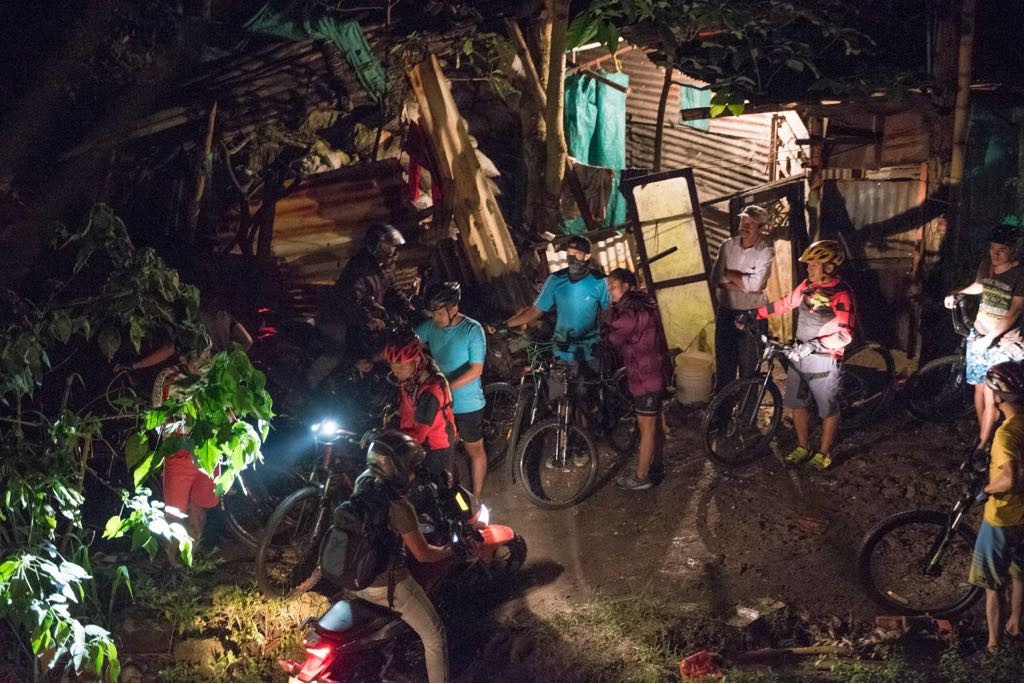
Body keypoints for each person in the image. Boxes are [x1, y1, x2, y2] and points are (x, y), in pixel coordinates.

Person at [739, 240, 854, 470]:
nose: (809, 269)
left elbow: (845, 334)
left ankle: (823, 453)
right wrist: (755, 314)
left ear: (829, 268)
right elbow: (785, 303)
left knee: (828, 408)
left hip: (824, 357)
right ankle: (803, 447)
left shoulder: (842, 294)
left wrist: (815, 345)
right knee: (797, 403)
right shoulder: (807, 286)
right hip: (799, 353)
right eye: (809, 265)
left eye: (814, 265)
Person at [493, 235, 610, 459]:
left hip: (587, 352)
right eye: (569, 253)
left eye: (577, 254)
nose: (572, 258)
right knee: (560, 401)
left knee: (584, 401)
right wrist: (504, 324)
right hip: (560, 351)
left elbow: (607, 311)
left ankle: (581, 445)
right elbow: (535, 311)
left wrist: (601, 334)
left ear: (587, 257)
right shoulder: (556, 281)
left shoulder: (598, 281)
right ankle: (563, 444)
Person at [357, 430, 456, 682]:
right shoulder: (400, 506)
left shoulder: (363, 482)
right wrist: (451, 550)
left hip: (355, 576)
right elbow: (423, 555)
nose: (412, 474)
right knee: (435, 636)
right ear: (397, 469)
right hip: (385, 585)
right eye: (410, 468)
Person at [944, 224, 1024, 453]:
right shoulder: (987, 266)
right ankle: (985, 435)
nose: (994, 254)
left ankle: (981, 446)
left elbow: (1014, 311)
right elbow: (980, 286)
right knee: (979, 389)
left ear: (1014, 251)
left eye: (1001, 250)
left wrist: (989, 338)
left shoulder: (1020, 274)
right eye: (991, 248)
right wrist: (958, 292)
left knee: (991, 394)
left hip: (1003, 341)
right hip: (979, 333)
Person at [311, 223, 412, 386]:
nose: (392, 251)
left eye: (393, 247)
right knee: (335, 353)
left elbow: (392, 289)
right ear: (374, 245)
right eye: (387, 246)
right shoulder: (359, 268)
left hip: (359, 316)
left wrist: (408, 306)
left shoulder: (386, 267)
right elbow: (350, 299)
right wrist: (367, 318)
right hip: (336, 316)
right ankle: (306, 389)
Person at [969, 362, 1024, 653]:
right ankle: (1015, 622)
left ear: (999, 397)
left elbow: (1010, 479)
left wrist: (985, 489)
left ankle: (994, 645)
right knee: (1020, 572)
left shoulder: (1005, 434)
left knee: (993, 583)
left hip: (1004, 516)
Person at [415, 282, 488, 498]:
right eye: (432, 312)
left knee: (474, 450)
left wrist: (445, 387)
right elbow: (410, 343)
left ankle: (476, 498)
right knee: (442, 449)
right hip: (441, 402)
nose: (435, 317)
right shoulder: (431, 327)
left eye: (439, 312)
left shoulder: (472, 330)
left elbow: (476, 370)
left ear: (453, 308)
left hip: (467, 404)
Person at [604, 268, 669, 490]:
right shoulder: (640, 303)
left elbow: (615, 336)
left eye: (613, 285)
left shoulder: (631, 310)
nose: (609, 290)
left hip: (646, 377)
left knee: (647, 426)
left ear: (627, 286)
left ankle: (641, 477)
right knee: (655, 424)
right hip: (652, 372)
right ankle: (656, 466)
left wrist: (598, 335)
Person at [710, 205, 775, 391]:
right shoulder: (727, 245)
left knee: (750, 371)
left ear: (761, 229)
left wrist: (728, 275)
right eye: (743, 222)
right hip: (726, 313)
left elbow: (757, 285)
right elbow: (716, 278)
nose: (744, 227)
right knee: (725, 369)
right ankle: (721, 415)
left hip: (753, 315)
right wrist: (745, 284)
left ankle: (747, 418)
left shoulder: (766, 251)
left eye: (751, 224)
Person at [383, 330, 458, 483]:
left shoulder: (432, 388)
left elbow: (419, 434)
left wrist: (385, 437)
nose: (396, 373)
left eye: (401, 368)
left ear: (416, 361)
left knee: (439, 494)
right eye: (393, 368)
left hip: (435, 447)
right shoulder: (412, 376)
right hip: (415, 437)